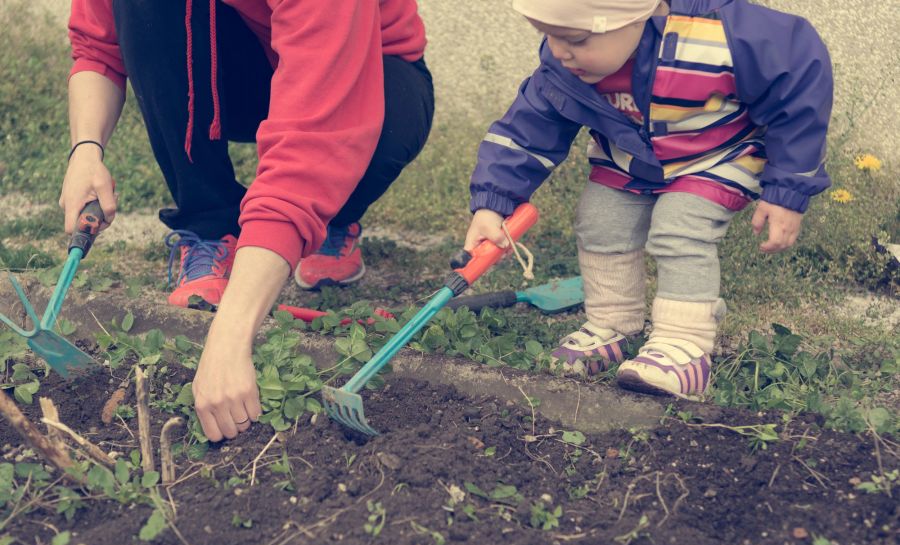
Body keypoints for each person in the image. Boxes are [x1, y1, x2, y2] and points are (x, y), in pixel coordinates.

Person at [61, 0, 434, 441]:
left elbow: (312, 143)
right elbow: (99, 45)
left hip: (371, 71)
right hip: (249, 59)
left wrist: (232, 335)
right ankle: (210, 225)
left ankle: (334, 218)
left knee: (371, 134)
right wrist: (86, 149)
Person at [464, 0, 832, 397]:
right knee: (599, 219)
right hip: (631, 158)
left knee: (679, 227)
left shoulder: (725, 34)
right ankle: (612, 325)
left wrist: (788, 189)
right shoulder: (566, 65)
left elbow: (797, 86)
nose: (558, 50)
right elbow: (526, 130)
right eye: (547, 35)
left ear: (640, 14)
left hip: (714, 155)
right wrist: (493, 201)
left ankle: (684, 345)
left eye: (577, 38)